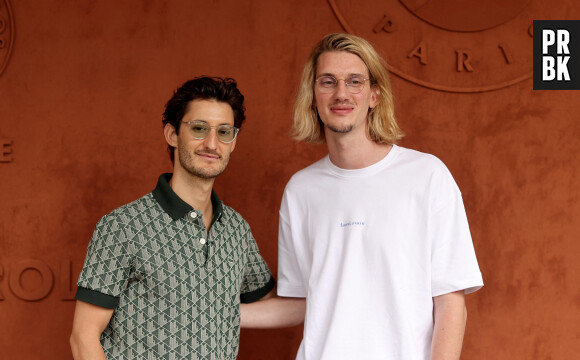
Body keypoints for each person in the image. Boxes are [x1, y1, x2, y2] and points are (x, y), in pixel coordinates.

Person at [242, 33, 484, 360]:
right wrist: (212, 314)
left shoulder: (427, 176)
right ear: (313, 96)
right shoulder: (300, 190)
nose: (341, 93)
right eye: (327, 81)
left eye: (354, 81)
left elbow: (451, 302)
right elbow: (301, 301)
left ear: (373, 95)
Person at [70, 76, 275, 360]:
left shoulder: (236, 229)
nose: (212, 143)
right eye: (199, 128)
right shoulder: (122, 226)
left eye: (224, 132)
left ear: (233, 141)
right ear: (172, 134)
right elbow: (83, 337)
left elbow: (268, 306)